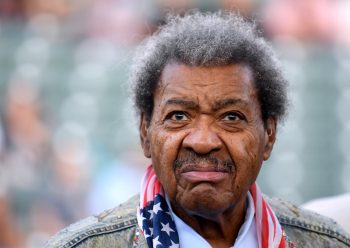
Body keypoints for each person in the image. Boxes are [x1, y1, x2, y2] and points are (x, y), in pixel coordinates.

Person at [45, 12, 350, 248]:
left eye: (231, 117)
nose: (203, 141)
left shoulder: (327, 243)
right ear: (145, 134)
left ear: (269, 135)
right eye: (178, 116)